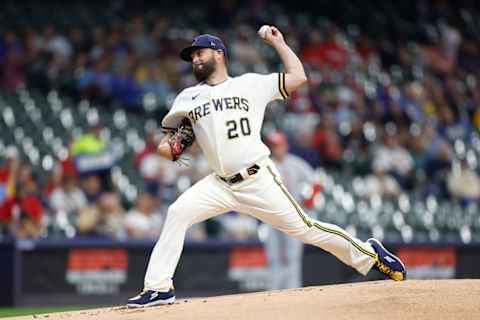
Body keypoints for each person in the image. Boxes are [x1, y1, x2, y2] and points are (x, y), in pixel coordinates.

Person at [127, 26, 406, 308]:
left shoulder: (250, 84)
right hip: (219, 183)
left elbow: (298, 77)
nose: (195, 59)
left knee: (305, 229)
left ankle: (371, 255)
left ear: (219, 54)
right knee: (177, 212)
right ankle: (159, 288)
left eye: (200, 53)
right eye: (192, 56)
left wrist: (279, 43)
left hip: (256, 178)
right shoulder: (188, 97)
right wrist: (172, 148)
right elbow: (170, 143)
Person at [264, 131, 314, 290]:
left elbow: (316, 182)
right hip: (272, 217)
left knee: (293, 257)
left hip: (293, 216)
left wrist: (308, 200)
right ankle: (273, 293)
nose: (276, 149)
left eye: (278, 145)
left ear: (286, 146)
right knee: (274, 257)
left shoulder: (296, 164)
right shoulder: (265, 165)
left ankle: (294, 293)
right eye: (273, 146)